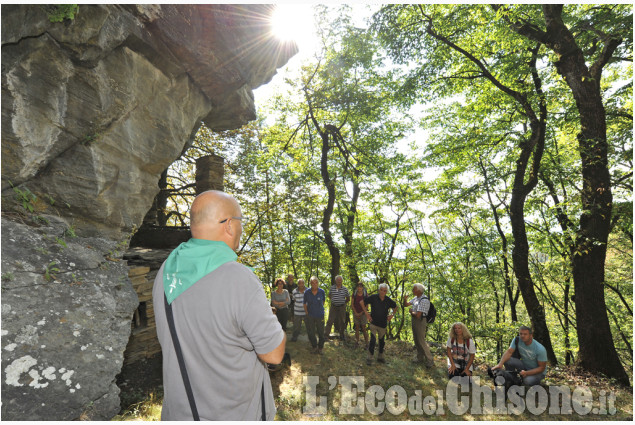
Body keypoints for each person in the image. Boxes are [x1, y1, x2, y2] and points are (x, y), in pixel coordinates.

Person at [152, 190, 285, 420]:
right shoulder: (239, 278)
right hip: (234, 413)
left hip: (181, 413)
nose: (241, 229)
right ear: (230, 225)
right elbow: (274, 354)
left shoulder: (166, 271)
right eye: (241, 221)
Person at [361, 283, 397, 365]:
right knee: (373, 340)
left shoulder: (388, 300)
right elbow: (362, 302)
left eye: (384, 291)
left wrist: (392, 315)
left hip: (383, 324)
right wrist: (366, 314)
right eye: (381, 290)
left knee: (382, 341)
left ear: (386, 292)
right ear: (379, 290)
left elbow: (395, 307)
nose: (382, 292)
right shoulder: (373, 297)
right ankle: (369, 358)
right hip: (373, 323)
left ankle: (380, 357)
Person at [403, 283, 434, 367]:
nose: (413, 290)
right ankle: (420, 357)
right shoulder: (416, 298)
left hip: (420, 321)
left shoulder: (424, 300)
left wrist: (411, 311)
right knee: (416, 340)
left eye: (414, 289)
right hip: (414, 320)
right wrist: (405, 300)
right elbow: (406, 305)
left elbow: (418, 315)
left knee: (421, 340)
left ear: (419, 290)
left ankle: (430, 360)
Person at [304, 276, 326, 354]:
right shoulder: (307, 292)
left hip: (320, 315)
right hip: (310, 315)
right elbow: (304, 303)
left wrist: (319, 309)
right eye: (312, 283)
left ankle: (320, 348)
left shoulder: (322, 291)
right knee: (311, 332)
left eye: (316, 282)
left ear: (318, 283)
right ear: (310, 283)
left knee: (321, 332)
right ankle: (314, 347)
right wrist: (307, 312)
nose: (314, 284)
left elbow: (323, 302)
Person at [324, 275, 350, 341]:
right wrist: (334, 300)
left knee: (342, 321)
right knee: (330, 320)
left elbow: (348, 298)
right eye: (338, 280)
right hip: (333, 306)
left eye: (340, 280)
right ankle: (326, 335)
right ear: (336, 281)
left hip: (342, 307)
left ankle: (342, 335)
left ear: (342, 281)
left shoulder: (345, 289)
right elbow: (329, 295)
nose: (339, 281)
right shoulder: (332, 288)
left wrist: (343, 303)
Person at [351, 281, 369, 348]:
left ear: (362, 287)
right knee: (357, 328)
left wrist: (361, 313)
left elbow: (367, 306)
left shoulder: (365, 295)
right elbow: (352, 304)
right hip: (355, 312)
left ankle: (367, 343)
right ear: (357, 287)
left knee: (364, 328)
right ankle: (357, 342)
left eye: (360, 286)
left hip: (363, 313)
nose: (359, 288)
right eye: (358, 286)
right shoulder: (354, 294)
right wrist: (356, 313)